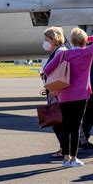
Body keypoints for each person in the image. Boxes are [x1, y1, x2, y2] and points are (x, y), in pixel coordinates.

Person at [44, 28, 93, 167]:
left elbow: (47, 69)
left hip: (64, 94)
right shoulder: (88, 52)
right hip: (80, 94)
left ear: (71, 41)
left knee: (66, 126)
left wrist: (53, 87)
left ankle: (65, 158)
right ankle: (73, 158)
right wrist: (86, 39)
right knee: (76, 126)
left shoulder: (64, 54)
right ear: (83, 41)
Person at [40, 26, 67, 158]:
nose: (44, 42)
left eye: (46, 39)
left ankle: (65, 148)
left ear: (54, 39)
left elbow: (60, 72)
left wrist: (54, 88)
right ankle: (64, 147)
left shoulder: (60, 52)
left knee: (57, 121)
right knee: (57, 121)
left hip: (56, 91)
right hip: (53, 90)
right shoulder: (56, 52)